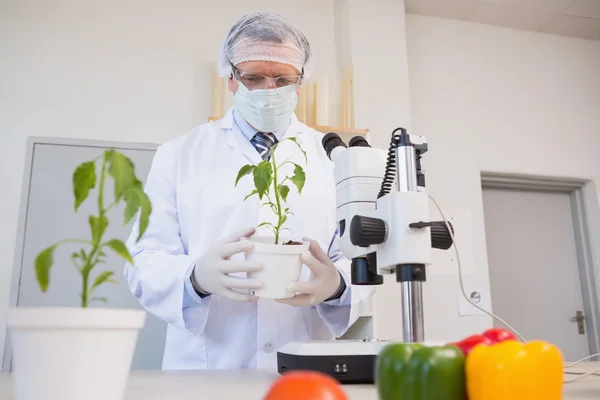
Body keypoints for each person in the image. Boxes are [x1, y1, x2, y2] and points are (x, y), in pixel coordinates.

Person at [124, 11, 375, 370]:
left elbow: (364, 257)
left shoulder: (334, 158)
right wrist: (194, 277)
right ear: (230, 77)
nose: (268, 90)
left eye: (283, 79)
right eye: (253, 77)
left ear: (300, 82)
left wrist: (337, 285)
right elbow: (144, 258)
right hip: (205, 369)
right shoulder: (179, 155)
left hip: (304, 365)